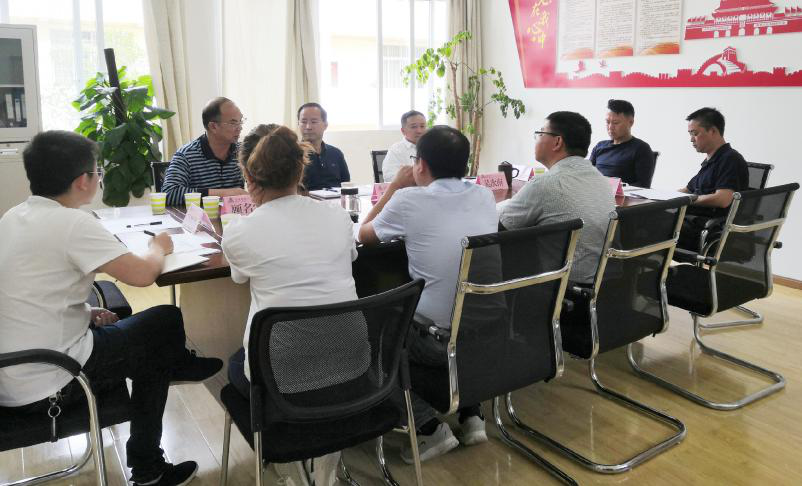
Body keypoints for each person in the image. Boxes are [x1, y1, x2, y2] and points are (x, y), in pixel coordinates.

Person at [0, 130, 223, 486]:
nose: (99, 177)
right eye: (97, 171)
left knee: (152, 335)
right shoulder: (73, 223)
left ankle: (173, 365)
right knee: (165, 323)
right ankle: (148, 468)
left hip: (14, 374)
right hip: (54, 380)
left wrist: (85, 314)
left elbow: (30, 293)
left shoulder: (14, 216)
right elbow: (142, 274)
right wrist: (159, 247)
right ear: (83, 181)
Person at [222, 126, 361, 486]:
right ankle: (324, 475)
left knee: (235, 363)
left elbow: (239, 277)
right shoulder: (337, 217)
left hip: (279, 378)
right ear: (301, 170)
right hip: (352, 364)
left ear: (250, 177)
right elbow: (349, 256)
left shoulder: (240, 231)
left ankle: (295, 474)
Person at [359, 125, 497, 463]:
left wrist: (394, 187)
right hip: (488, 332)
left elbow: (363, 235)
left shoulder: (409, 200)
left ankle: (427, 428)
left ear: (420, 165)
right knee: (461, 305)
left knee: (368, 341)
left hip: (436, 340)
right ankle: (471, 413)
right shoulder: (484, 195)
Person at [498, 111, 615, 284]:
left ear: (557, 142)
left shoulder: (546, 183)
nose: (537, 139)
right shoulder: (600, 178)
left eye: (540, 133)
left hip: (560, 285)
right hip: (600, 282)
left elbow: (502, 225)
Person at [677, 107, 749, 251]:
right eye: (690, 134)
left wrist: (690, 199)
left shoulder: (730, 159)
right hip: (692, 223)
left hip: (709, 230)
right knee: (647, 218)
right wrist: (661, 198)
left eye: (695, 133)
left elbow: (723, 199)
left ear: (713, 131)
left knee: (647, 226)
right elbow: (688, 190)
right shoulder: (711, 161)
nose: (691, 139)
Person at [161, 97, 249, 206]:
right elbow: (169, 193)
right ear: (213, 126)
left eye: (241, 121)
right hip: (201, 216)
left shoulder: (243, 151)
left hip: (236, 215)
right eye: (233, 123)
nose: (240, 128)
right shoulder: (186, 155)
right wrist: (226, 193)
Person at [590, 99, 656, 188]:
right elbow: (586, 175)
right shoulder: (600, 146)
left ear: (631, 122)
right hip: (594, 193)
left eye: (615, 123)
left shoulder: (641, 149)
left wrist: (614, 188)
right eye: (607, 122)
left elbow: (643, 185)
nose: (610, 127)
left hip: (620, 195)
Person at [297, 102, 350, 190]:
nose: (308, 127)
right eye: (303, 122)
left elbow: (346, 185)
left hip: (335, 198)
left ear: (325, 125)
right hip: (306, 198)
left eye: (314, 122)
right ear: (298, 124)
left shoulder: (336, 153)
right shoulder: (293, 153)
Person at [382, 110, 427, 182]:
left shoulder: (432, 147)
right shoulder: (396, 150)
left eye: (422, 126)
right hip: (408, 188)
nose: (419, 131)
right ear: (403, 131)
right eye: (414, 127)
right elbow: (389, 177)